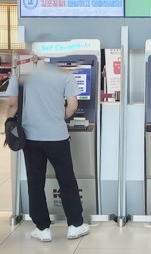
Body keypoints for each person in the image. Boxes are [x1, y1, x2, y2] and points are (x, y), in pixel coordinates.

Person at [5, 55, 89, 242]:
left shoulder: (20, 75)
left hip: (31, 138)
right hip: (58, 137)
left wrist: (9, 126)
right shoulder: (64, 74)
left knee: (35, 183)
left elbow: (12, 105)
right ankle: (75, 225)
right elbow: (73, 106)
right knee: (66, 179)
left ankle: (42, 228)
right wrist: (58, 119)